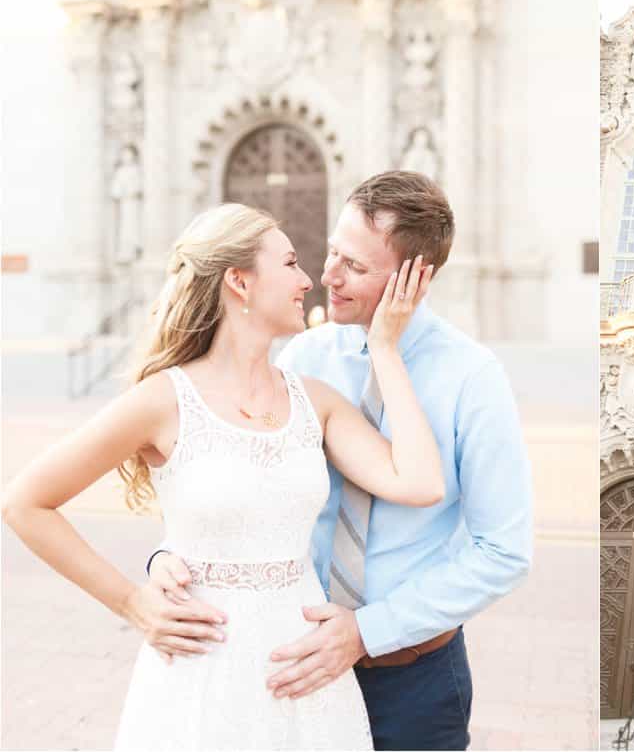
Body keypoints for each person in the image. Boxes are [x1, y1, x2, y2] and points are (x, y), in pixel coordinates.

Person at [2, 203, 444, 750]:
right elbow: (24, 503)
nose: (309, 280)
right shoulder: (161, 402)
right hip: (200, 677)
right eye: (289, 264)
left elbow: (422, 483)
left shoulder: (316, 402)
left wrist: (385, 349)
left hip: (304, 673)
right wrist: (132, 603)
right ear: (240, 281)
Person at [148, 171, 534, 750]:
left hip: (414, 681)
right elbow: (241, 486)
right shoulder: (305, 355)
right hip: (292, 663)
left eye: (353, 265)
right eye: (331, 252)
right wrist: (170, 556)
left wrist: (366, 632)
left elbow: (503, 551)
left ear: (415, 276)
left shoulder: (472, 379)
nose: (326, 276)